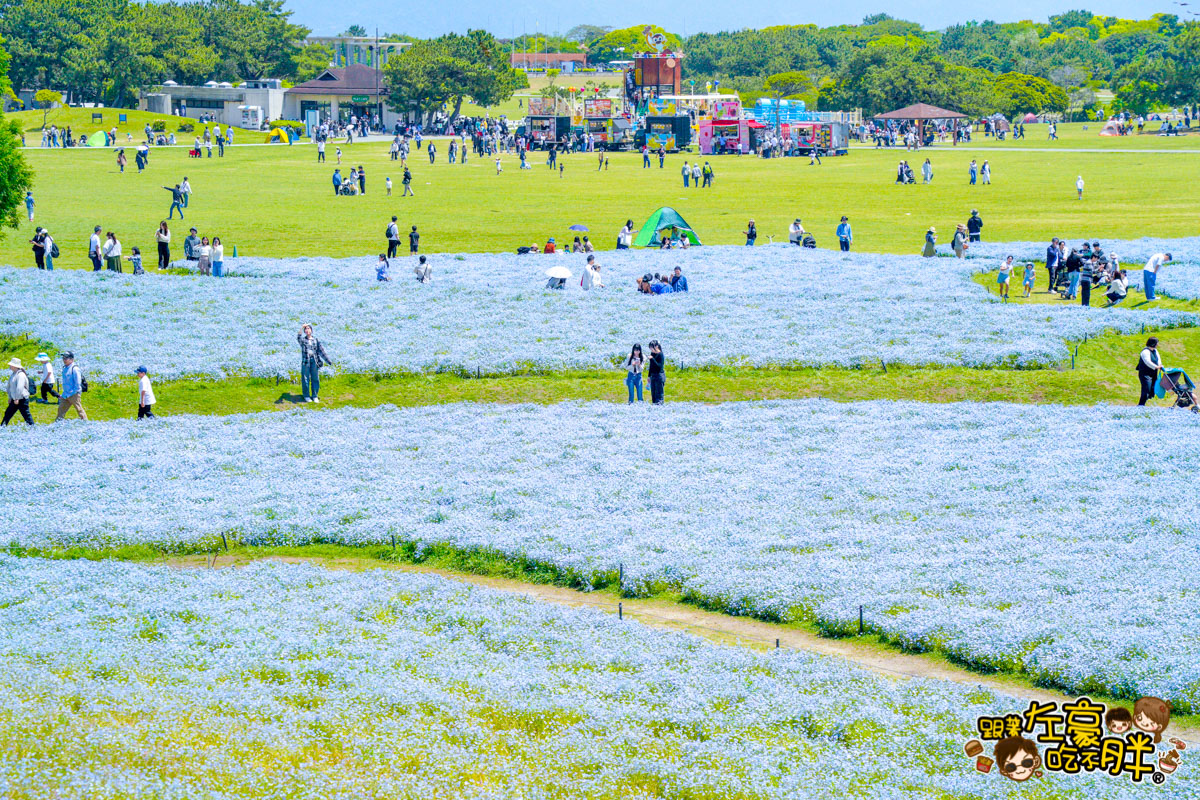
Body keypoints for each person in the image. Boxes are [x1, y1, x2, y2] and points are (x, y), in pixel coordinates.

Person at [297, 324, 331, 403]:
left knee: (315, 378)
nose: (307, 330)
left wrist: (328, 360)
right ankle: (306, 396)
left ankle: (315, 396)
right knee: (305, 379)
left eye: (308, 328)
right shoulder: (303, 340)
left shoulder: (316, 340)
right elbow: (298, 337)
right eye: (306, 329)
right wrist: (301, 327)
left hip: (314, 361)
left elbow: (321, 351)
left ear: (311, 330)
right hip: (306, 361)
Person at [54, 351, 86, 421]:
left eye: (66, 358)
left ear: (71, 359)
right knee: (61, 410)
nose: (64, 360)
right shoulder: (65, 368)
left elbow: (78, 383)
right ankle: (57, 424)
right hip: (65, 394)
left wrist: (73, 393)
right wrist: (65, 393)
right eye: (63, 358)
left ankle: (85, 422)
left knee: (79, 410)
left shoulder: (75, 369)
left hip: (74, 394)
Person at [3, 358, 33, 426]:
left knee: (26, 414)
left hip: (21, 398)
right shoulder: (14, 374)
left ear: (14, 366)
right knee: (8, 413)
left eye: (11, 365)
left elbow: (20, 387)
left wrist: (17, 398)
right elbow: (10, 387)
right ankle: (2, 427)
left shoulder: (20, 375)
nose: (10, 366)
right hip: (15, 398)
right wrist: (10, 397)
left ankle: (32, 427)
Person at [1137, 337, 1163, 406]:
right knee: (1146, 390)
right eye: (1157, 343)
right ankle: (1140, 405)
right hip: (1145, 374)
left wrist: (1160, 365)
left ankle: (1143, 405)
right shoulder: (1145, 352)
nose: (1157, 345)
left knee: (1152, 389)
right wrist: (1156, 367)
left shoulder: (1155, 351)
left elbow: (1158, 359)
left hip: (1153, 373)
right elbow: (1147, 362)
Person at [647, 340, 665, 405]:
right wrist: (649, 376)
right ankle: (654, 406)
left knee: (659, 394)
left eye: (652, 347)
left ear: (657, 346)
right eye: (650, 348)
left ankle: (659, 406)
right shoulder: (652, 354)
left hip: (659, 376)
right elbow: (651, 366)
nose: (651, 349)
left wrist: (652, 359)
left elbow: (659, 367)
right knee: (653, 394)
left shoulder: (660, 354)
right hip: (653, 375)